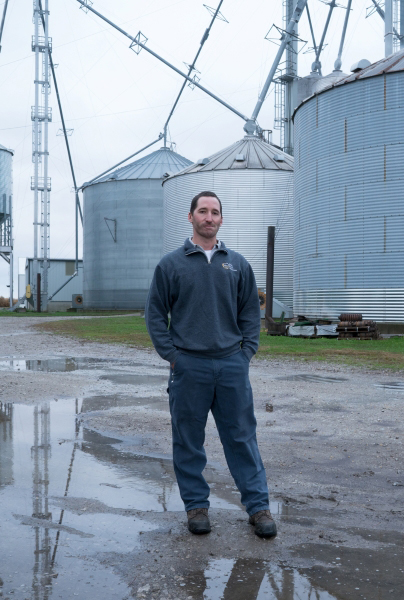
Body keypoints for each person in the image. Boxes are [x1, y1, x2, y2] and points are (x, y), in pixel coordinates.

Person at [144, 190, 276, 538]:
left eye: (215, 212)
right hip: (190, 367)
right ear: (190, 217)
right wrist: (173, 356)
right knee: (188, 440)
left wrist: (246, 353)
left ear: (221, 219)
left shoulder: (237, 263)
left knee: (242, 437)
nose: (209, 217)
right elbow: (155, 314)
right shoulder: (170, 265)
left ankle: (258, 508)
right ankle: (196, 508)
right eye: (203, 211)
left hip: (231, 365)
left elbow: (250, 312)